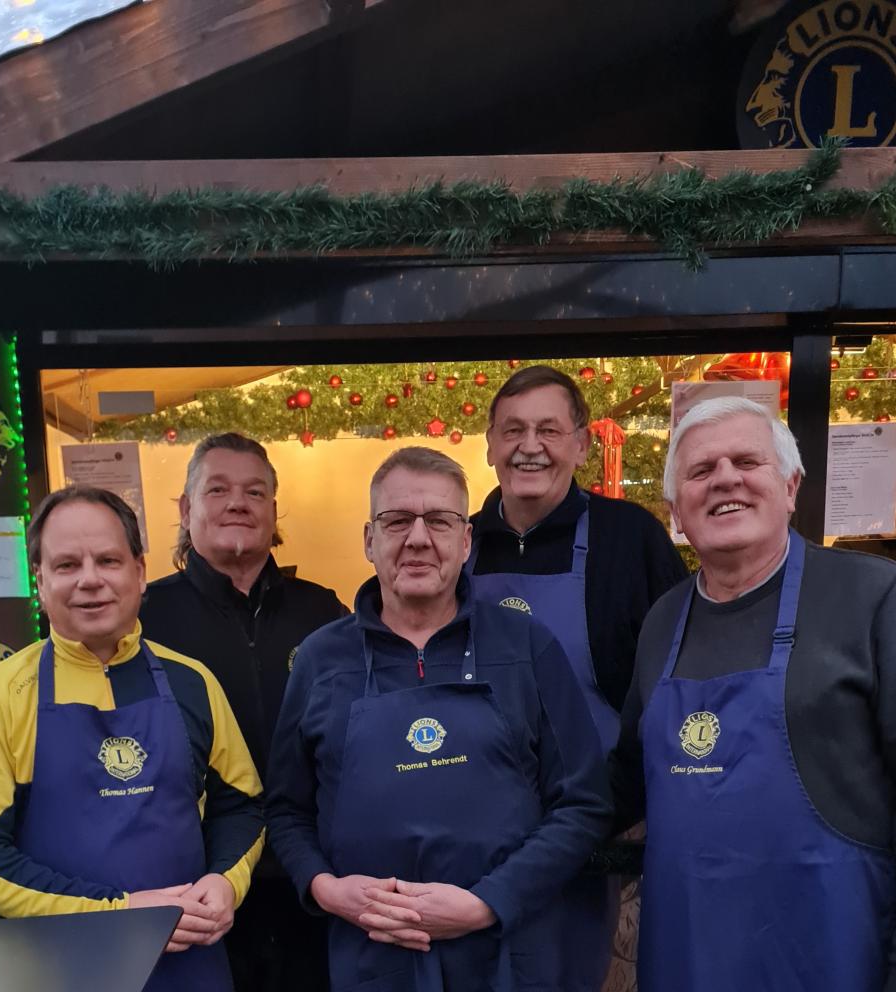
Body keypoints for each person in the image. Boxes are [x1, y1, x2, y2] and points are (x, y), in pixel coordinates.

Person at [267, 446, 611, 992]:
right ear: (369, 540)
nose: (418, 538)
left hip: (507, 955)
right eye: (397, 520)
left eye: (440, 521)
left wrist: (488, 901)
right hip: (373, 956)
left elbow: (583, 803)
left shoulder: (525, 645)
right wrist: (325, 888)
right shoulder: (320, 660)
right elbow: (287, 810)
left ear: (466, 541)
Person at [611, 397, 896, 991]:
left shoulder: (874, 598)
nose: (725, 479)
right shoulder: (662, 621)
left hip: (832, 961)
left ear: (790, 486)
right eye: (700, 470)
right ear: (676, 510)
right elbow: (623, 780)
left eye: (746, 461)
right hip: (686, 960)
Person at [0, 486, 264, 992]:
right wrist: (116, 912)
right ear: (40, 581)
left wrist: (224, 881)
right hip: (52, 970)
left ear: (139, 572)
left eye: (108, 560)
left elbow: (241, 805)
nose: (90, 579)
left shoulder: (193, 682)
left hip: (189, 966)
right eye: (67, 565)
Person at [468, 364, 687, 990]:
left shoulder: (630, 538)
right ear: (489, 445)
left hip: (608, 828)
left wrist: (612, 809)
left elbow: (674, 680)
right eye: (512, 430)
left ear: (583, 444)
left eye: (548, 430)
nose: (529, 446)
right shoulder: (457, 543)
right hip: (483, 832)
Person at [141, 432, 346, 992]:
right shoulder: (144, 619)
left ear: (274, 511)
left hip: (313, 882)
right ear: (186, 508)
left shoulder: (324, 612)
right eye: (218, 489)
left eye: (255, 492)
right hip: (194, 888)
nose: (238, 503)